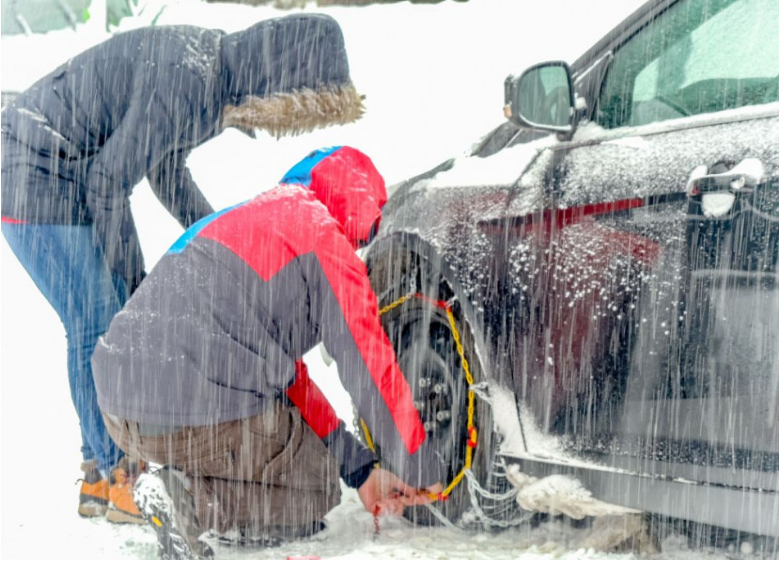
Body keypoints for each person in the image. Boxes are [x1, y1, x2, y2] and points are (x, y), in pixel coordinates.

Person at [0, 14, 364, 522]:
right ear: (277, 81)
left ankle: (99, 476)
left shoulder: (211, 79)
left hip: (67, 172)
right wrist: (132, 276)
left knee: (99, 320)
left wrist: (215, 234)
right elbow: (108, 181)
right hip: (34, 171)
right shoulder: (189, 81)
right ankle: (113, 477)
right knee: (99, 322)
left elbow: (165, 168)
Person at [91, 147, 444, 558]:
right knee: (316, 485)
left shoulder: (245, 219)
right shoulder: (321, 238)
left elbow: (288, 377)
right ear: (361, 206)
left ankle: (177, 479)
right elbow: (368, 362)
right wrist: (420, 466)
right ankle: (190, 499)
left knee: (270, 425)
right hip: (190, 414)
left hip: (119, 406)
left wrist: (362, 469)